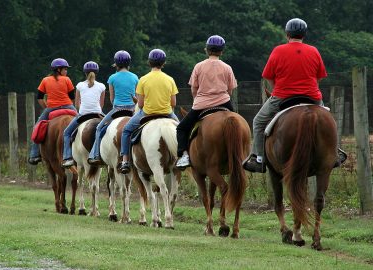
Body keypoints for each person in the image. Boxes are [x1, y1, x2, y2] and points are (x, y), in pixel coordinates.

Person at [242, 18, 347, 173]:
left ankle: (258, 158)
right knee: (329, 120)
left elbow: (268, 76)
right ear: (304, 34)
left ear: (287, 34)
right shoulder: (314, 51)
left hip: (283, 96)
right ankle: (335, 152)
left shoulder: (278, 50)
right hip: (312, 96)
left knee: (258, 121)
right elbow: (320, 76)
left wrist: (276, 89)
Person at [175, 35, 237, 169]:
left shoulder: (199, 66)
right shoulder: (227, 67)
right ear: (222, 51)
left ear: (207, 50)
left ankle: (184, 156)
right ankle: (243, 154)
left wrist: (198, 99)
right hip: (224, 103)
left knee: (181, 128)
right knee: (238, 124)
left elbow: (194, 89)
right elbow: (230, 91)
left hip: (202, 104)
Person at [119, 48, 179, 174]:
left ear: (149, 62)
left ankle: (125, 160)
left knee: (126, 130)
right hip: (167, 113)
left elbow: (140, 104)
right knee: (182, 131)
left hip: (146, 113)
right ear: (163, 63)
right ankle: (185, 156)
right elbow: (173, 103)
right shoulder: (170, 79)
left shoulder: (143, 79)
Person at [87, 50, 139, 165]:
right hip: (132, 110)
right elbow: (137, 96)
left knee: (99, 128)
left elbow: (112, 99)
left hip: (117, 110)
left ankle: (95, 154)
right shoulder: (135, 77)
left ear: (116, 64)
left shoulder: (112, 78)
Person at [28, 58, 76, 165]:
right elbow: (72, 97)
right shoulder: (67, 79)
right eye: (65, 69)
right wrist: (68, 105)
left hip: (51, 108)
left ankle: (34, 155)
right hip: (68, 106)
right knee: (81, 123)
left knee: (37, 127)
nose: (66, 71)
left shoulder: (45, 80)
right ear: (58, 69)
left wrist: (46, 107)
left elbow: (39, 98)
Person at [61, 61, 106, 167]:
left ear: (85, 73)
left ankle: (67, 158)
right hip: (98, 114)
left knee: (67, 133)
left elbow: (76, 104)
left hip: (82, 115)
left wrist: (83, 111)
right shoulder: (102, 86)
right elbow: (101, 104)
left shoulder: (80, 85)